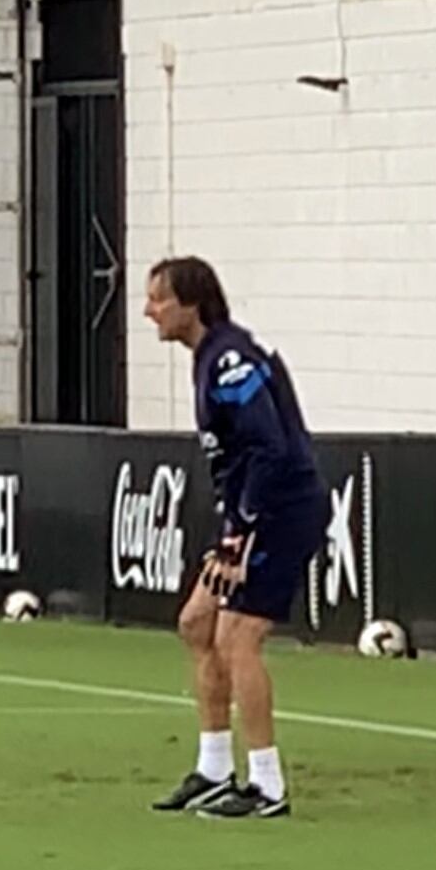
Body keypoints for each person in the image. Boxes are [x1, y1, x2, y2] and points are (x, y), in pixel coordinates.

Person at [144, 256, 328, 819]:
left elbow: (268, 447)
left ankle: (268, 785)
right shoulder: (209, 356)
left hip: (281, 511)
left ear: (192, 303)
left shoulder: (230, 358)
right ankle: (214, 767)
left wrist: (241, 529)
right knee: (196, 623)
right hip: (250, 513)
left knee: (238, 638)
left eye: (159, 299)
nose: (150, 310)